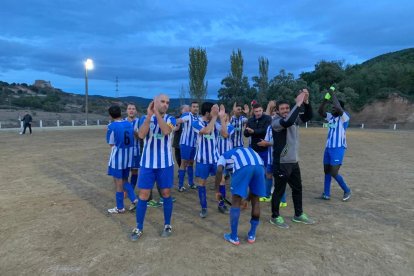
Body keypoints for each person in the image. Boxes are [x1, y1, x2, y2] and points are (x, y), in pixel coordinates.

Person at [131, 94, 176, 241]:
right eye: (162, 102)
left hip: (165, 164)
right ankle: (139, 227)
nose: (165, 105)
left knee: (166, 193)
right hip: (147, 164)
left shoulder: (171, 119)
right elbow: (142, 135)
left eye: (167, 103)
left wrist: (156, 113)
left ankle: (167, 224)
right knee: (143, 195)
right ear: (154, 102)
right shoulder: (143, 119)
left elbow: (166, 131)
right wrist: (150, 116)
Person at [269, 89, 315, 229]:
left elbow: (308, 116)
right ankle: (275, 216)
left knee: (298, 189)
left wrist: (306, 102)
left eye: (287, 108)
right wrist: (298, 103)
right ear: (277, 111)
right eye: (282, 109)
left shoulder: (293, 118)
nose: (285, 110)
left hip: (294, 161)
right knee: (279, 190)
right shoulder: (276, 122)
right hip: (281, 163)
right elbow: (287, 122)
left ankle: (298, 214)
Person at [215, 147, 266, 245]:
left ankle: (234, 237)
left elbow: (219, 170)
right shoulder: (241, 151)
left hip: (244, 166)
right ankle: (252, 235)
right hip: (259, 165)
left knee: (236, 201)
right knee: (256, 200)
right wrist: (247, 199)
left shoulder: (222, 156)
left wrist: (217, 191)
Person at [192, 102, 226, 218]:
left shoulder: (215, 122)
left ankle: (221, 204)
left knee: (221, 181)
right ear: (207, 112)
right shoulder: (196, 123)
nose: (215, 112)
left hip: (216, 159)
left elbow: (225, 134)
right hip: (202, 159)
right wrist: (215, 117)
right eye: (213, 110)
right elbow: (206, 131)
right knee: (202, 183)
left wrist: (221, 118)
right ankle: (204, 207)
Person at [318, 87, 352, 201]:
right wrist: (325, 100)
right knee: (327, 171)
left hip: (338, 148)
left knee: (333, 172)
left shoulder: (344, 117)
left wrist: (332, 93)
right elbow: (320, 112)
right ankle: (326, 194)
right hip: (328, 148)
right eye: (331, 108)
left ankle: (347, 190)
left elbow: (338, 106)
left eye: (334, 108)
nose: (332, 109)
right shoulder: (331, 117)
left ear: (340, 109)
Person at [106, 105, 138, 214]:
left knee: (118, 182)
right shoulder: (129, 124)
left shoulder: (111, 126)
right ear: (121, 113)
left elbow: (111, 143)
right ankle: (134, 199)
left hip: (118, 159)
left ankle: (120, 207)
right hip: (128, 158)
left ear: (110, 115)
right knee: (124, 180)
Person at [244, 103, 272, 202]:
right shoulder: (250, 120)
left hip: (264, 149)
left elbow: (265, 131)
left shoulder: (267, 119)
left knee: (265, 172)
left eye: (260, 111)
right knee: (253, 171)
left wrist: (253, 131)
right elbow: (246, 134)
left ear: (262, 110)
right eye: (256, 111)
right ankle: (253, 191)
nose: (258, 113)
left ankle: (264, 192)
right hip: (253, 150)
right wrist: (247, 131)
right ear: (253, 112)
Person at [177, 102, 200, 191]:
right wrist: (173, 123)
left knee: (191, 163)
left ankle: (191, 183)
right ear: (190, 108)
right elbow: (180, 120)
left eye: (197, 107)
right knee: (184, 163)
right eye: (194, 107)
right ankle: (180, 185)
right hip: (185, 143)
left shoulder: (198, 118)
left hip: (194, 144)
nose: (195, 108)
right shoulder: (187, 115)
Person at [216, 113, 235, 213]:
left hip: (230, 157)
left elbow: (225, 134)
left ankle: (236, 201)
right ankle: (221, 204)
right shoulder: (217, 125)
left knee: (234, 179)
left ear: (228, 116)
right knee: (221, 181)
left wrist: (222, 119)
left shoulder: (231, 127)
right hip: (219, 158)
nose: (223, 117)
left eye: (224, 115)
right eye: (221, 115)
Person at [124, 104, 140, 211]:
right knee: (123, 175)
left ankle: (131, 193)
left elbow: (141, 136)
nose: (131, 111)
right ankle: (130, 194)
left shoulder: (140, 121)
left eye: (133, 109)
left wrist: (135, 132)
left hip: (135, 151)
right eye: (129, 109)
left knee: (134, 173)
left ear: (136, 111)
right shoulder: (122, 122)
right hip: (124, 153)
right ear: (126, 111)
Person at [173, 105, 190, 171]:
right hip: (178, 141)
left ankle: (184, 169)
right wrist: (175, 127)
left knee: (186, 157)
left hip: (187, 141)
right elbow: (173, 127)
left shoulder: (191, 118)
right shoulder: (177, 118)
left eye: (188, 110)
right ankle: (181, 169)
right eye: (185, 110)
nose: (187, 111)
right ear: (181, 111)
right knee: (178, 157)